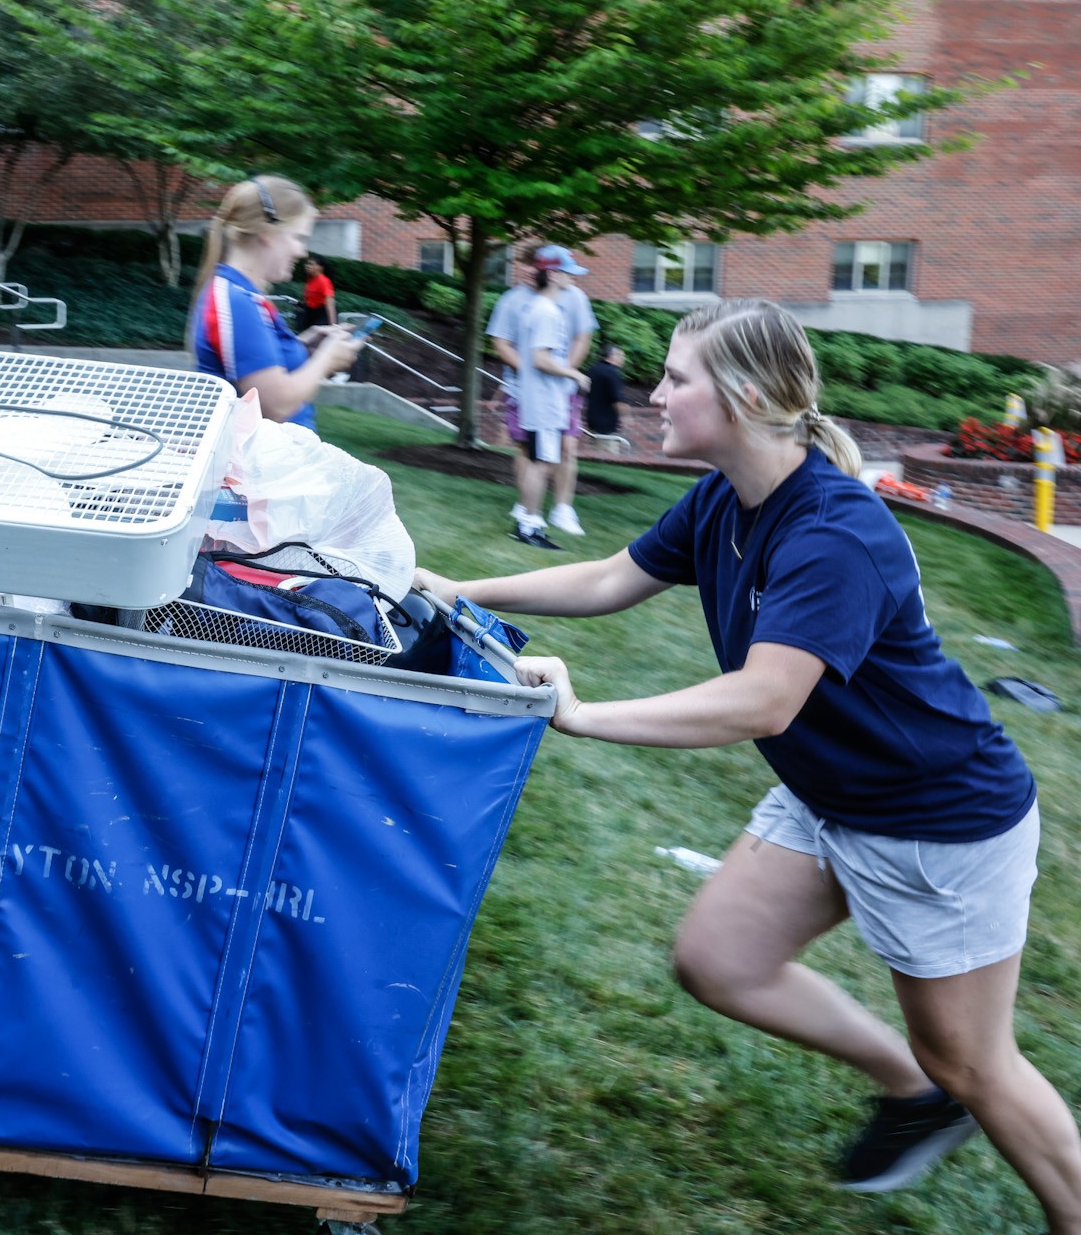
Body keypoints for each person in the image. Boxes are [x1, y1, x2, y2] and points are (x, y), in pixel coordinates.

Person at [415, 298, 1081, 1232]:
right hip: (832, 793)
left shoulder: (832, 533)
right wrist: (457, 589)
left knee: (975, 1061)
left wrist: (585, 713)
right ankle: (910, 1092)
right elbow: (613, 576)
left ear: (747, 395)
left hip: (938, 822)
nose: (654, 392)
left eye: (677, 378)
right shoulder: (731, 495)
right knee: (719, 959)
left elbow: (763, 699)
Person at [188, 176, 362, 429]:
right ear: (268, 233)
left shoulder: (240, 294)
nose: (302, 252)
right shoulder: (237, 302)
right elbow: (275, 405)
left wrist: (303, 344)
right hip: (263, 464)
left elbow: (252, 362)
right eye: (299, 238)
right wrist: (326, 359)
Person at [490, 245, 595, 535]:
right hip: (542, 399)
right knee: (538, 459)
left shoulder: (543, 307)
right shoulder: (545, 311)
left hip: (544, 397)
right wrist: (571, 372)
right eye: (566, 273)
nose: (572, 279)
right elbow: (539, 359)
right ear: (552, 275)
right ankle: (529, 523)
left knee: (541, 457)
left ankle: (531, 520)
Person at [586, 342, 629, 453]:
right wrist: (625, 416)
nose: (623, 359)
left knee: (596, 450)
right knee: (609, 456)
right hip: (607, 424)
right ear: (612, 356)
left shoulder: (593, 369)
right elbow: (617, 399)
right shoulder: (612, 373)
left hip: (593, 419)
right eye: (621, 356)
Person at [297, 253, 338, 333]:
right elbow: (310, 298)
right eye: (307, 264)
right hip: (311, 313)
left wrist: (333, 326)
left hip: (322, 314)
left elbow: (330, 304)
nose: (307, 266)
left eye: (311, 264)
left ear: (321, 268)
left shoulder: (324, 281)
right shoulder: (310, 279)